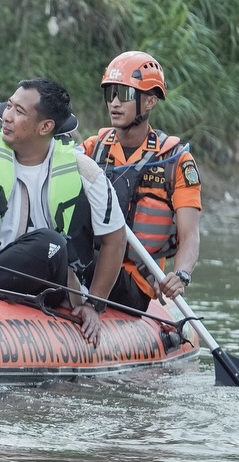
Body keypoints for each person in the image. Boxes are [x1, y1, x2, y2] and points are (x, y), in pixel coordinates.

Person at [0, 78, 125, 345]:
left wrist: (94, 304)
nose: (6, 116)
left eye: (19, 111)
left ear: (45, 126)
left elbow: (115, 240)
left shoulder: (85, 172)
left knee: (51, 244)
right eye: (9, 106)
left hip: (48, 274)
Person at [82, 51, 201, 312]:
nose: (114, 102)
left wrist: (180, 275)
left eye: (124, 94)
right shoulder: (94, 148)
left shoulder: (175, 161)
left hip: (132, 284)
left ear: (149, 102)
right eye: (110, 93)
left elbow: (190, 235)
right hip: (89, 263)